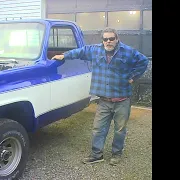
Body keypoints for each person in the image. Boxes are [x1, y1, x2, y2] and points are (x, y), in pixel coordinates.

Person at [51, 27, 149, 166]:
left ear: (117, 39)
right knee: (98, 128)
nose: (108, 41)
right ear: (102, 40)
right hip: (104, 100)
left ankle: (116, 154)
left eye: (111, 39)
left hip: (122, 100)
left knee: (120, 130)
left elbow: (144, 61)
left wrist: (133, 77)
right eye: (105, 39)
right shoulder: (94, 50)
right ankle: (97, 155)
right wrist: (64, 55)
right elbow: (80, 51)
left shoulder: (128, 51)